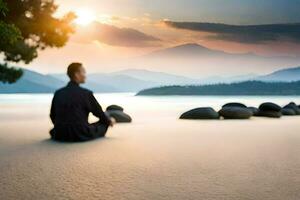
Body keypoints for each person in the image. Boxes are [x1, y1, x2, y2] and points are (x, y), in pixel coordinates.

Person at [49, 63, 114, 142]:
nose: (85, 75)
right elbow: (98, 112)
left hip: (59, 134)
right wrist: (109, 121)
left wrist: (61, 126)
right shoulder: (86, 93)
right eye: (83, 72)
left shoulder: (58, 93)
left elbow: (53, 115)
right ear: (76, 74)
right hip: (79, 134)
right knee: (104, 121)